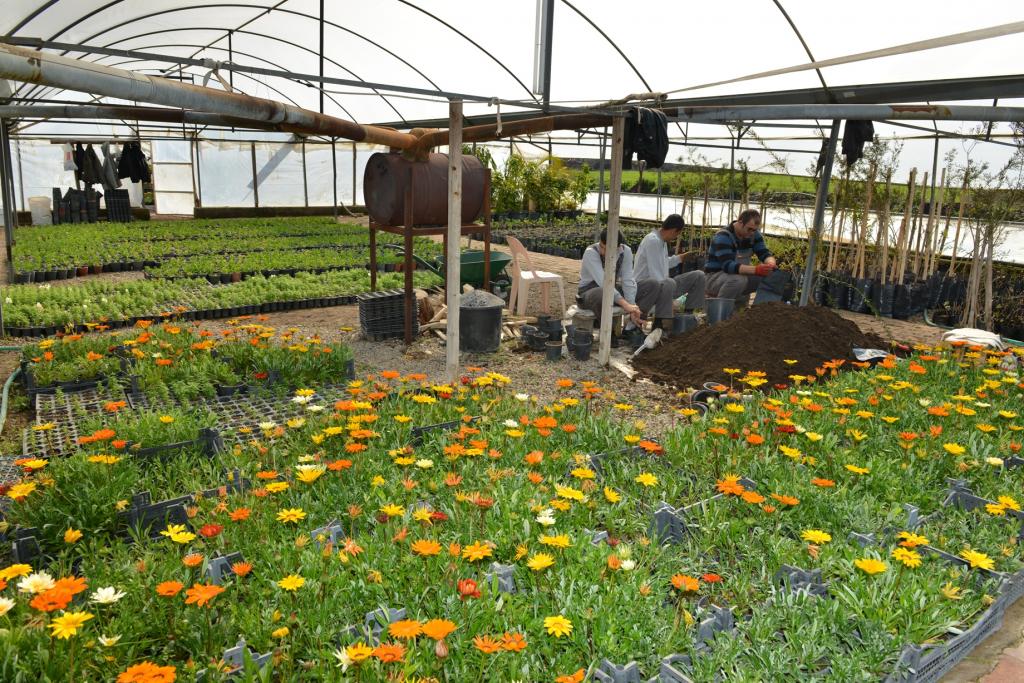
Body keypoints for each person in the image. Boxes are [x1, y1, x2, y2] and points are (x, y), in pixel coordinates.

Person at [577, 228, 675, 332]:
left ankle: (634, 325)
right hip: (589, 293)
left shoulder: (625, 252)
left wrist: (632, 306)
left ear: (618, 247)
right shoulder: (591, 253)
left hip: (612, 289)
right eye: (601, 246)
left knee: (653, 284)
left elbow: (628, 281)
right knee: (602, 293)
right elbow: (604, 282)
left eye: (608, 250)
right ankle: (609, 332)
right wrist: (625, 304)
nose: (603, 252)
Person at [634, 214, 706, 312]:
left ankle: (688, 314)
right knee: (669, 283)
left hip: (662, 284)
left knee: (699, 276)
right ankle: (663, 317)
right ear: (674, 230)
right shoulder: (653, 241)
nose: (675, 237)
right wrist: (669, 301)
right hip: (647, 288)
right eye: (677, 234)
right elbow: (656, 276)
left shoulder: (661, 241)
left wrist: (680, 258)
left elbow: (663, 263)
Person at [704, 209, 776, 306]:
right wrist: (756, 270)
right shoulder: (723, 236)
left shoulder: (754, 235)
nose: (752, 233)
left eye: (754, 230)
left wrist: (770, 263)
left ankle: (746, 309)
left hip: (738, 276)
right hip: (714, 278)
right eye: (749, 229)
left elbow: (764, 253)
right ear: (740, 222)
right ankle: (719, 309)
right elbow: (728, 266)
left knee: (768, 277)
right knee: (738, 280)